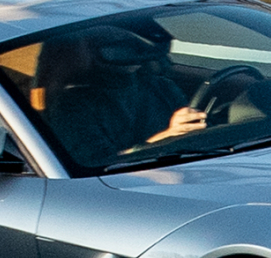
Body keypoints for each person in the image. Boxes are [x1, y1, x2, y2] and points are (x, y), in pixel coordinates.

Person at [33, 26, 205, 165]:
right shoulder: (70, 105)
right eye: (118, 42)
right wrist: (167, 137)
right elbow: (99, 164)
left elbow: (196, 137)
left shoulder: (161, 86)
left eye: (136, 40)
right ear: (84, 50)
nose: (134, 48)